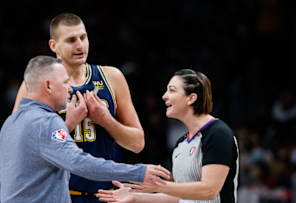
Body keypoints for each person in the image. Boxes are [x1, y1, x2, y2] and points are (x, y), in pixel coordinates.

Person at [12, 12, 145, 202]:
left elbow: (137, 143)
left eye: (83, 37)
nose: (80, 45)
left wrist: (106, 121)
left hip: (105, 195)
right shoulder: (36, 84)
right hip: (59, 195)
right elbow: (18, 148)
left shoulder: (111, 77)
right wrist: (68, 124)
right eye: (71, 40)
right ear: (53, 46)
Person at [0, 55, 170, 203]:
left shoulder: (11, 122)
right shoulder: (47, 121)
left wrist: (68, 125)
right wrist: (138, 172)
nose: (70, 88)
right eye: (65, 82)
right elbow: (79, 163)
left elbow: (42, 153)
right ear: (48, 86)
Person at [97, 69, 240, 203]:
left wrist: (160, 185)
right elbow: (180, 197)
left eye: (172, 90)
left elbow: (210, 190)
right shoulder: (180, 144)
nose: (164, 96)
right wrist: (135, 197)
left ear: (191, 98)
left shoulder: (218, 134)